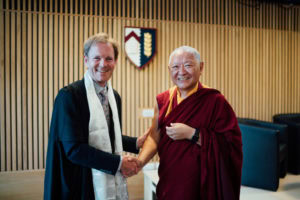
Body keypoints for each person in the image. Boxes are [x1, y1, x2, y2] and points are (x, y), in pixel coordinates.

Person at [44, 33, 146, 200]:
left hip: (103, 174)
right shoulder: (69, 96)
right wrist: (118, 163)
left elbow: (104, 136)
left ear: (115, 62)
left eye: (108, 58)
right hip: (78, 181)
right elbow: (74, 149)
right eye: (96, 58)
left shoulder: (115, 96)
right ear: (86, 60)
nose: (103, 64)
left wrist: (135, 143)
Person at [137, 46, 243, 200]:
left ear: (201, 67)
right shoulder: (163, 100)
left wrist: (193, 134)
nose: (181, 72)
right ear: (169, 70)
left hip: (202, 185)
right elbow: (154, 137)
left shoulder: (215, 101)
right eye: (175, 67)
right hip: (170, 181)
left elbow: (231, 145)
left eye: (188, 65)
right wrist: (140, 162)